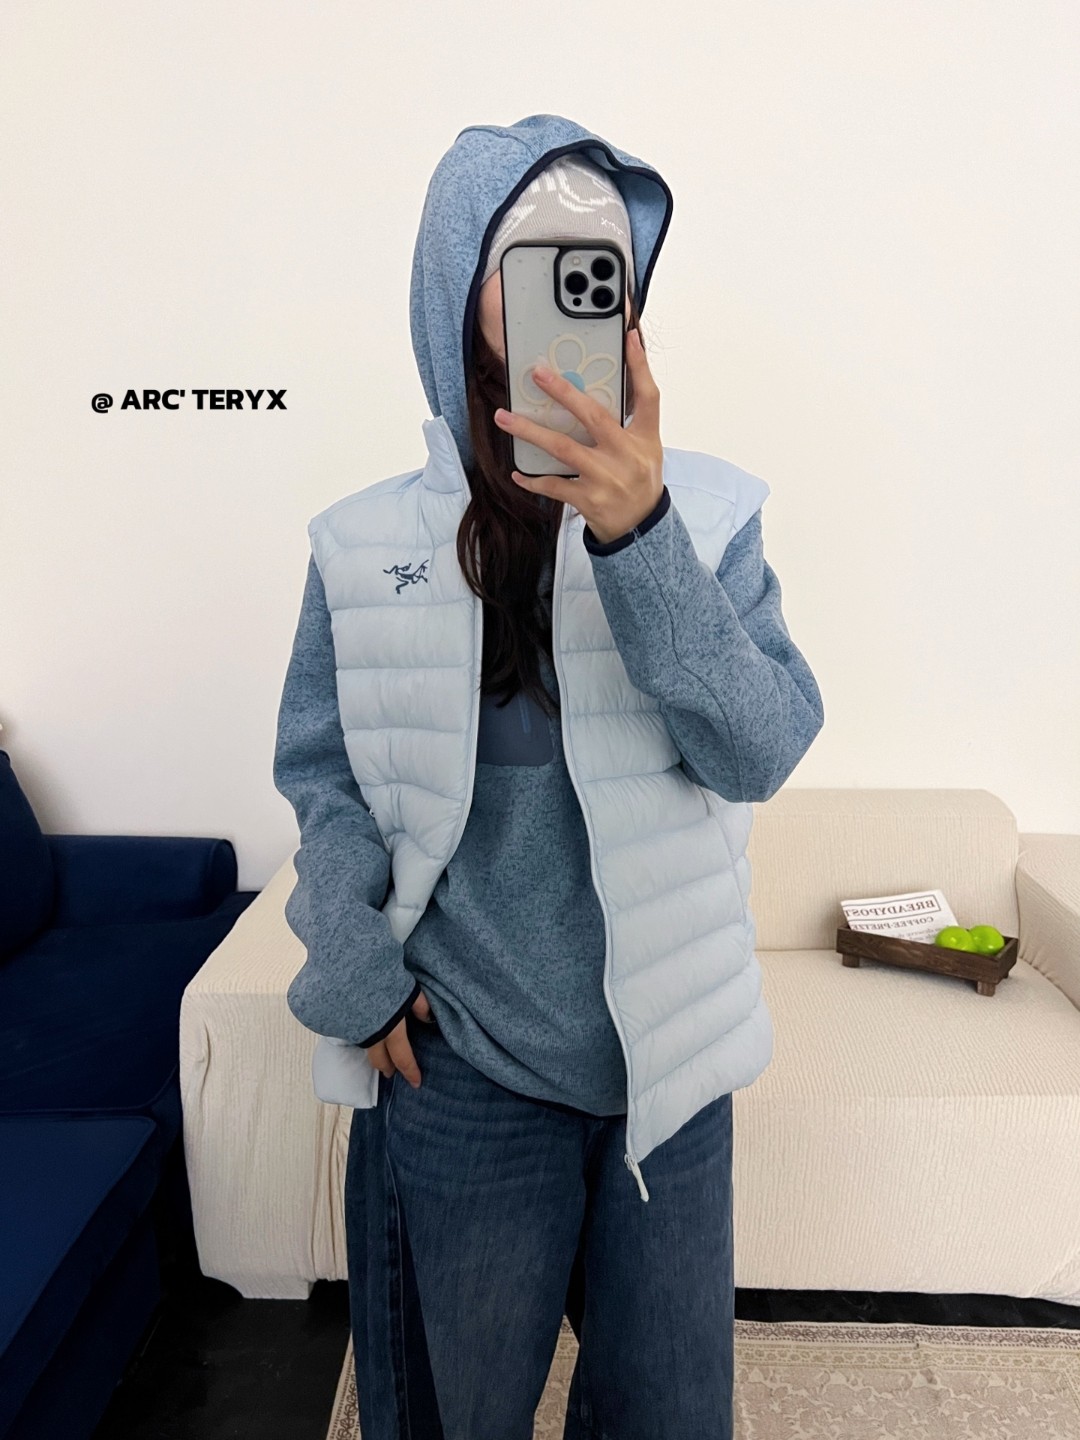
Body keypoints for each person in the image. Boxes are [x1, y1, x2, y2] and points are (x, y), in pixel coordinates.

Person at [273, 113, 824, 1440]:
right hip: (462, 1069)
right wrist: (352, 967)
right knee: (454, 1414)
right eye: (528, 258)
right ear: (456, 292)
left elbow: (760, 749)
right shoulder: (363, 545)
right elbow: (324, 772)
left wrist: (644, 536)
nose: (572, 283)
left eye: (599, 260)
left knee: (668, 1419)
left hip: (670, 1068)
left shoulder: (711, 517)